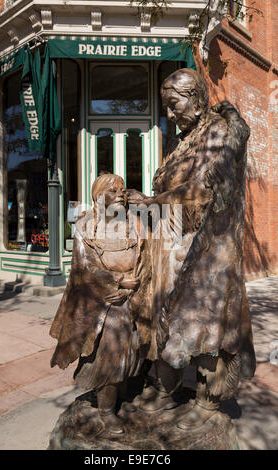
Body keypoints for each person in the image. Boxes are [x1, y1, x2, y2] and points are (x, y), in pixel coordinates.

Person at [129, 68, 256, 429]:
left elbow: (201, 193)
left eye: (174, 105)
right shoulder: (180, 141)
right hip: (174, 245)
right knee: (167, 316)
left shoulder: (216, 132)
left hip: (207, 251)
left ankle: (208, 397)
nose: (169, 115)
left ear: (197, 99)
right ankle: (164, 383)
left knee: (205, 322)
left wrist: (148, 202)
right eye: (166, 106)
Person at [49, 173, 152, 434]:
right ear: (98, 196)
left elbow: (148, 258)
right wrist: (117, 281)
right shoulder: (85, 225)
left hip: (135, 296)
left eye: (122, 191)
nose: (120, 195)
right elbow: (83, 268)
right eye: (112, 191)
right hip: (102, 302)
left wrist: (136, 282)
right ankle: (107, 411)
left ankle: (126, 392)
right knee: (111, 355)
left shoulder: (136, 224)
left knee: (138, 352)